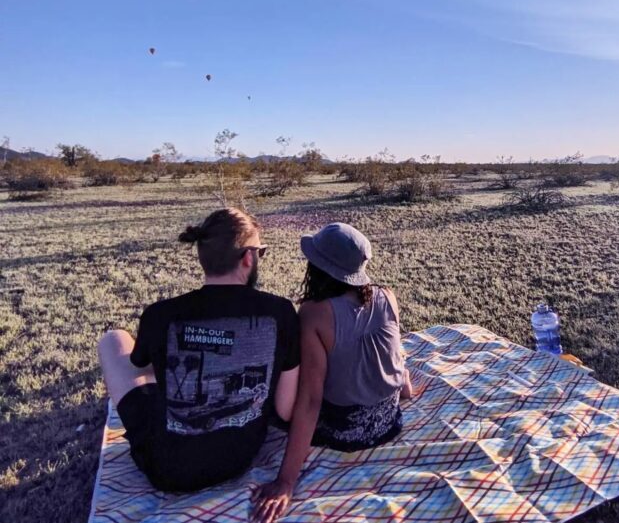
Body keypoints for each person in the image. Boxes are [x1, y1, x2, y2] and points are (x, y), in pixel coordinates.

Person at [97, 208, 300, 492]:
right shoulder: (280, 312)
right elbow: (286, 409)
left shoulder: (160, 315)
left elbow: (140, 365)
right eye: (261, 251)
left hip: (167, 469)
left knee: (114, 340)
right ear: (248, 257)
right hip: (239, 456)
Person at [253, 222, 412, 523]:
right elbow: (393, 353)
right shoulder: (386, 295)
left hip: (344, 430)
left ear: (319, 267)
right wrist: (403, 387)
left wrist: (286, 481)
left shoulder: (314, 313)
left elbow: (311, 399)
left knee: (279, 389)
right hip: (388, 420)